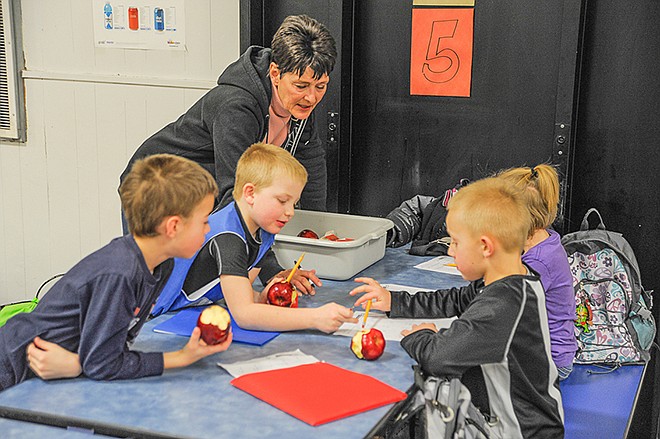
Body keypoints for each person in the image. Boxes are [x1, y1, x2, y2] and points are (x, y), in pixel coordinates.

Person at [119, 14, 335, 294]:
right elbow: (239, 195)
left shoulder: (299, 108)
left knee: (202, 288)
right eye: (301, 86)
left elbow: (311, 165)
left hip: (205, 192)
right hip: (155, 189)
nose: (311, 98)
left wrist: (314, 234)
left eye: (321, 86)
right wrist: (272, 271)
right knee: (156, 291)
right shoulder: (237, 107)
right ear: (274, 73)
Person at [350, 177, 564, 438]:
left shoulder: (503, 304)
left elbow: (439, 358)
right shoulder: (508, 280)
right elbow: (453, 300)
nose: (450, 251)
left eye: (455, 242)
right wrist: (395, 301)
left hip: (519, 431)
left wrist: (420, 336)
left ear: (485, 246)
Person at [0, 154, 232, 391]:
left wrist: (79, 363)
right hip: (11, 369)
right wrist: (181, 357)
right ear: (173, 227)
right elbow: (103, 364)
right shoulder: (121, 274)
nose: (208, 229)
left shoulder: (162, 265)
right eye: (204, 221)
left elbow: (112, 348)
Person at [152, 143, 357, 333]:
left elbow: (242, 296)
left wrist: (262, 297)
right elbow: (244, 314)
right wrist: (314, 318)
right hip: (148, 315)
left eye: (293, 203)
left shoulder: (262, 230)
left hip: (184, 312)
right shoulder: (228, 238)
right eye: (282, 200)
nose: (290, 212)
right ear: (250, 193)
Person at [496, 164, 577, 380]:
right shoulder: (542, 240)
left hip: (550, 361)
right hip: (543, 352)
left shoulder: (538, 261)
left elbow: (504, 312)